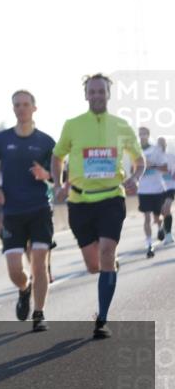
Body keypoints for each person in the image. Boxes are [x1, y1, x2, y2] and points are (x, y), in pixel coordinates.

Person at [51, 73, 144, 339]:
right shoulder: (72, 125)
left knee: (106, 253)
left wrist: (134, 178)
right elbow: (57, 157)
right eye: (92, 92)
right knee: (94, 265)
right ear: (86, 95)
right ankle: (109, 267)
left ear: (108, 94)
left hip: (112, 198)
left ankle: (102, 319)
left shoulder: (122, 126)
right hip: (80, 202)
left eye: (101, 91)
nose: (97, 96)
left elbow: (139, 160)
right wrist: (58, 184)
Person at [0, 90, 55, 331]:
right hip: (12, 212)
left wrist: (47, 174)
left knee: (39, 264)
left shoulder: (46, 142)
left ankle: (39, 313)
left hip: (39, 210)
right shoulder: (1, 140)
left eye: (26, 104)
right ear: (13, 108)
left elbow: (60, 175)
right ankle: (24, 289)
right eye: (17, 105)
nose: (21, 108)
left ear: (34, 108)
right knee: (16, 271)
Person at [136, 127, 169, 258]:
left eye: (144, 134)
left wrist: (152, 165)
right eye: (140, 134)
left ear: (148, 135)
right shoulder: (136, 150)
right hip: (143, 190)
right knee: (147, 217)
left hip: (157, 188)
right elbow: (133, 168)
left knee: (157, 217)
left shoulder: (155, 149)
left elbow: (165, 168)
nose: (142, 136)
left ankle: (161, 228)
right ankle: (149, 244)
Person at [159, 136, 174, 245]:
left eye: (163, 143)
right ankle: (162, 227)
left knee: (167, 207)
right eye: (159, 143)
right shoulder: (154, 157)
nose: (161, 145)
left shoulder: (171, 156)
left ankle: (168, 234)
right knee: (162, 210)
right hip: (158, 188)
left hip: (171, 186)